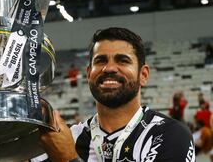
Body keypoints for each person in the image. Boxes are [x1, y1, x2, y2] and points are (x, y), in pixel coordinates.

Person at [36, 27, 195, 162]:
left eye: (122, 60)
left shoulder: (169, 134)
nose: (109, 68)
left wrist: (68, 159)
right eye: (100, 61)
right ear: (88, 73)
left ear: (143, 75)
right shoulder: (66, 138)